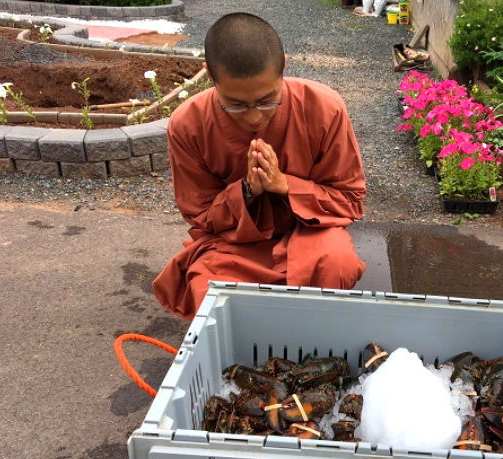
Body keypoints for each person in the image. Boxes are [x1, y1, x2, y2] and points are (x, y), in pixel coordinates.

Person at [152, 12, 367, 320]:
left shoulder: (324, 108)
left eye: (268, 100)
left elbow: (348, 200)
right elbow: (200, 215)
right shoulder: (188, 124)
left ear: (284, 68)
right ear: (209, 76)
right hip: (236, 241)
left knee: (337, 266)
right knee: (208, 292)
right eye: (236, 104)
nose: (254, 117)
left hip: (310, 233)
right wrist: (246, 191)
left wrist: (285, 185)